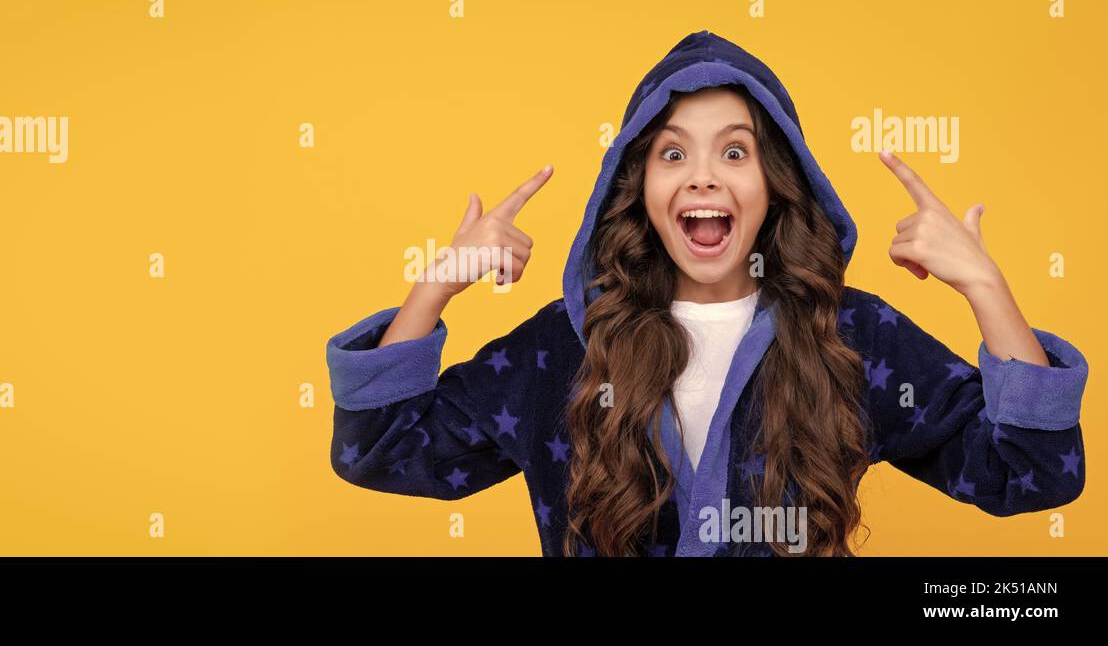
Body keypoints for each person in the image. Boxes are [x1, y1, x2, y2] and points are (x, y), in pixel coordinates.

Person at [323, 30, 1089, 556]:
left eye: (734, 150)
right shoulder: (567, 343)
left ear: (775, 184)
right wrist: (437, 284)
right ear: (637, 184)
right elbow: (378, 449)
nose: (703, 175)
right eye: (671, 152)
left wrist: (986, 286)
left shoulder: (847, 334)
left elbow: (1034, 470)